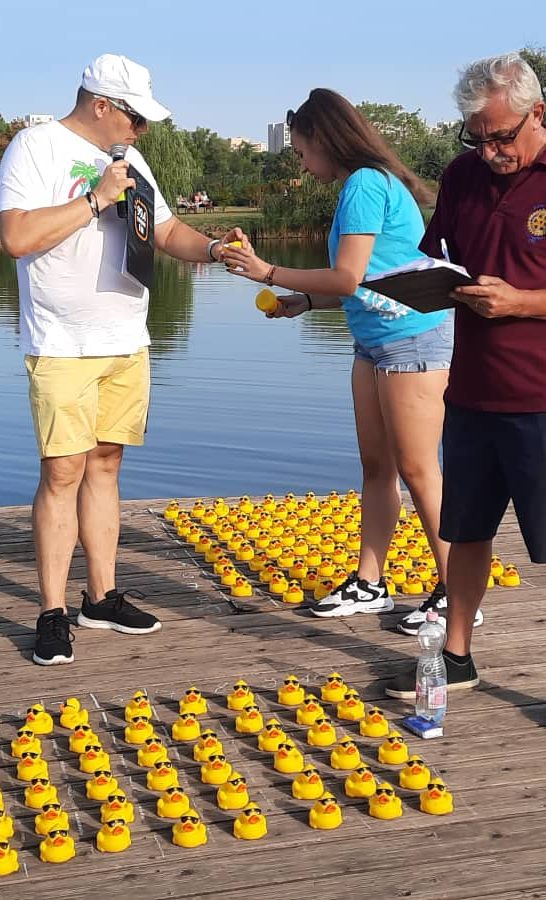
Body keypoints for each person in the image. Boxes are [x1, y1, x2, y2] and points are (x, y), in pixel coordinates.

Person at [386, 53, 546, 759]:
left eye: (502, 135)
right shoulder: (463, 175)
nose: (491, 152)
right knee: (466, 533)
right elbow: (435, 259)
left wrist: (521, 302)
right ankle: (460, 657)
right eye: (479, 137)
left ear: (536, 112)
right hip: (470, 391)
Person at [0, 53, 236, 666]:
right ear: (101, 105)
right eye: (136, 118)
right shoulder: (34, 147)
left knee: (106, 466)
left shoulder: (133, 160)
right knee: (62, 473)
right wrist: (96, 200)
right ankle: (51, 612)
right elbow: (18, 237)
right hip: (61, 343)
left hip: (127, 338)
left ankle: (99, 598)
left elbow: (165, 231)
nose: (142, 130)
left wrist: (213, 249)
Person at [218, 88, 457, 625]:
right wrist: (304, 300)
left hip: (412, 339)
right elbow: (366, 283)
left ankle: (456, 593)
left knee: (420, 471)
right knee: (378, 469)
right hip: (374, 341)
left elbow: (348, 275)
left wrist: (268, 272)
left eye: (302, 151)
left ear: (324, 140)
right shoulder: (363, 184)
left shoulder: (366, 184)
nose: (301, 164)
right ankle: (371, 583)